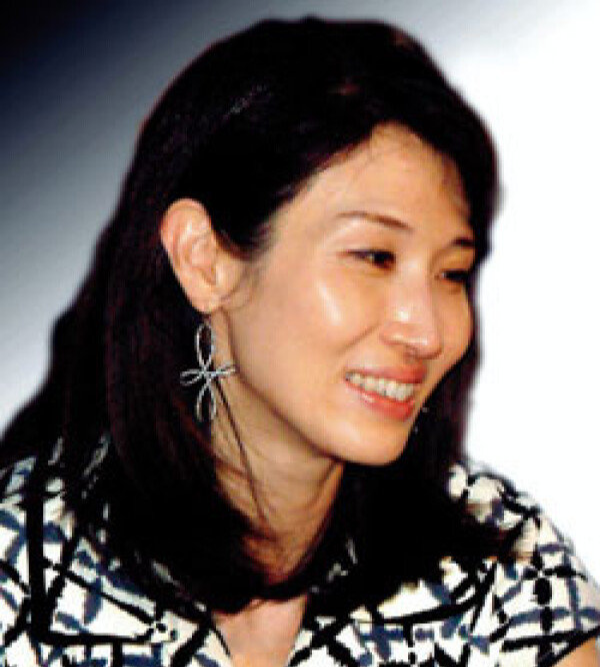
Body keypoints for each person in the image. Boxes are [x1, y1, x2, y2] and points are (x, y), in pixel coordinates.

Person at [0, 16, 598, 667]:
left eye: (451, 273)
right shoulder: (21, 572)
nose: (427, 332)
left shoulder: (500, 568)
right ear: (204, 260)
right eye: (374, 257)